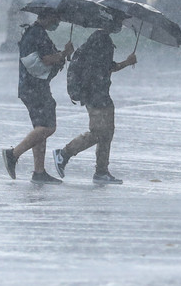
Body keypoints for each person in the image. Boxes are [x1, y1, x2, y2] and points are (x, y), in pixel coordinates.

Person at [52, 20, 136, 184]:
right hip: (96, 94)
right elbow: (97, 69)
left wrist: (127, 62)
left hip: (100, 93)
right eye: (118, 22)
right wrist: (92, 91)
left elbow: (106, 67)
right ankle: (64, 153)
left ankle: (101, 171)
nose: (120, 26)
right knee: (99, 132)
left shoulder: (101, 39)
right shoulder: (101, 40)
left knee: (107, 133)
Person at [2, 10, 74, 184]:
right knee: (48, 128)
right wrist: (64, 54)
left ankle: (39, 172)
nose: (58, 20)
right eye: (57, 17)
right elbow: (46, 59)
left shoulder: (33, 32)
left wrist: (61, 55)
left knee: (40, 128)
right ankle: (13, 154)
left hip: (32, 87)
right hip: (35, 88)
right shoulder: (37, 34)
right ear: (48, 16)